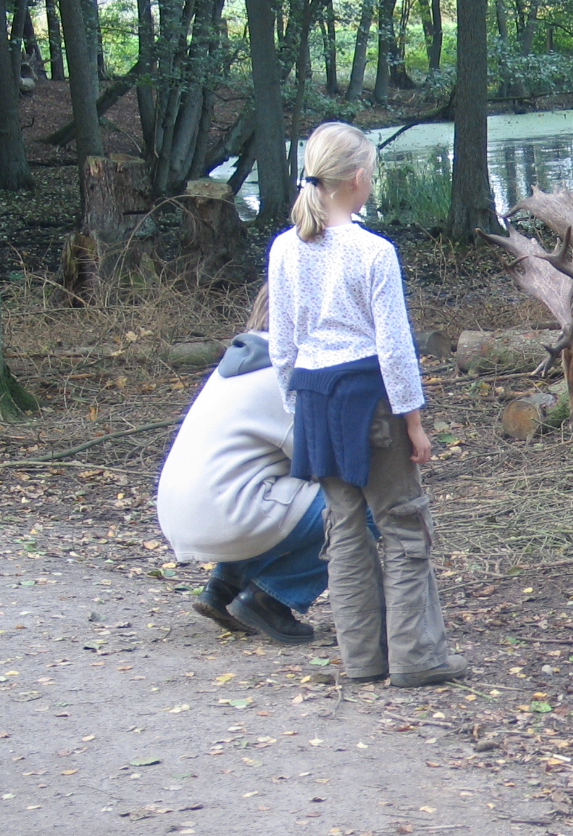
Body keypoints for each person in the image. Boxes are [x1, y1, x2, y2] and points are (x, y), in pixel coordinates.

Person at [267, 120, 465, 688]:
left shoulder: (284, 249)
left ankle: (362, 660)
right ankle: (417, 658)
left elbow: (282, 348)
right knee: (403, 525)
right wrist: (415, 422)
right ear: (358, 178)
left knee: (345, 529)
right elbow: (395, 348)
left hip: (313, 399)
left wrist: (297, 408)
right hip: (368, 399)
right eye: (371, 173)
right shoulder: (374, 251)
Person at [157, 290, 326, 644]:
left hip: (181, 509)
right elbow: (320, 460)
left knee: (273, 489)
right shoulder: (283, 374)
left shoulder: (243, 361)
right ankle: (272, 598)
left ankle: (223, 585)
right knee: (360, 506)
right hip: (225, 514)